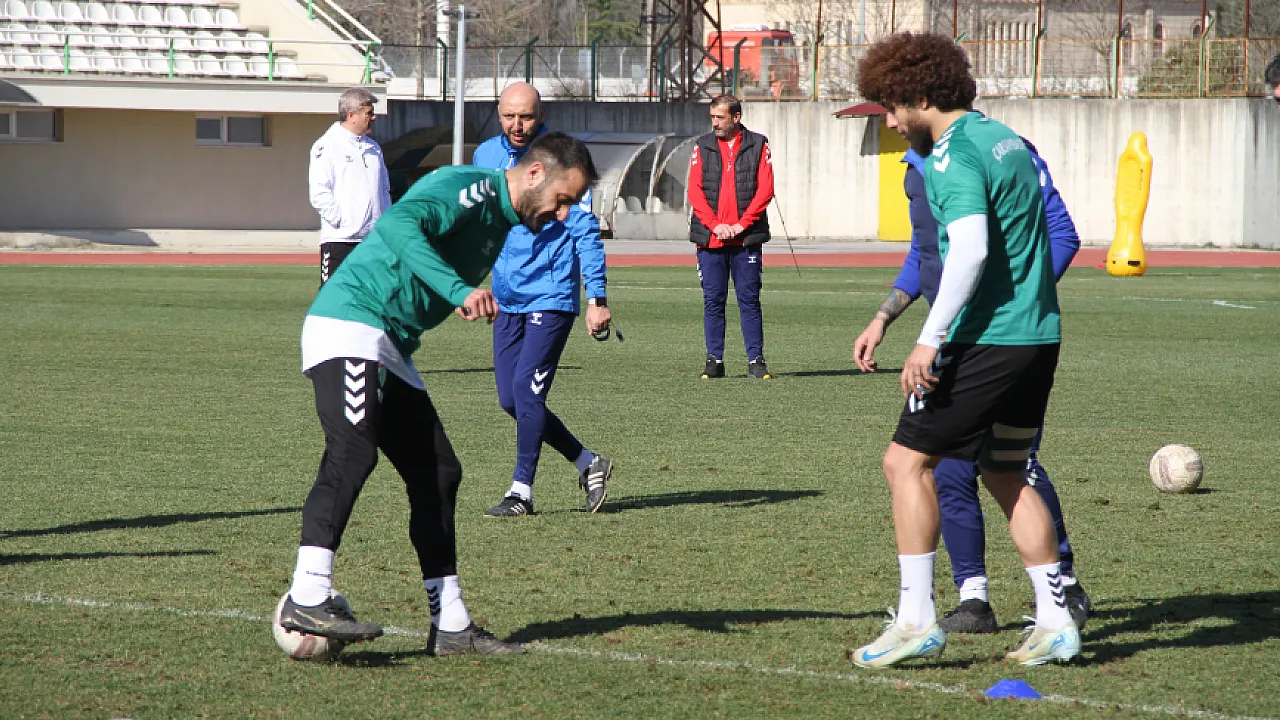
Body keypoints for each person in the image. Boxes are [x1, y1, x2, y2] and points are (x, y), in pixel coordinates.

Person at [277, 132, 598, 656]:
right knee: (353, 450)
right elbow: (398, 224)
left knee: (439, 473)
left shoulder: (503, 220)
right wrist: (459, 291)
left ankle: (450, 625)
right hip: (350, 322)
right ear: (536, 174)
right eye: (562, 200)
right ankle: (308, 593)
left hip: (390, 344)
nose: (562, 214)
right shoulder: (471, 188)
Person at [850, 32, 1081, 668]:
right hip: (1037, 338)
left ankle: (916, 620)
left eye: (893, 107)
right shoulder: (1005, 139)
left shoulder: (952, 156)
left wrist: (929, 339)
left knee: (904, 464)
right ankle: (1056, 622)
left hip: (984, 339)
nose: (891, 122)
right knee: (1005, 470)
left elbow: (971, 250)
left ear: (922, 96)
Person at [471, 82, 614, 517]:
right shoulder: (485, 157)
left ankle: (521, 492)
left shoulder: (565, 161)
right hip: (507, 296)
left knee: (526, 393)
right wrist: (467, 284)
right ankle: (588, 462)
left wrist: (597, 298)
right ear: (498, 114)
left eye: (526, 116)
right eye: (509, 116)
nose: (517, 125)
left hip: (550, 295)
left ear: (542, 115)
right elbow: (482, 224)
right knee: (511, 400)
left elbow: (585, 232)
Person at [687, 94, 775, 380]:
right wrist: (715, 226)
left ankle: (756, 360)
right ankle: (714, 360)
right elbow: (694, 192)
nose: (714, 123)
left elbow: (765, 189)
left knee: (749, 300)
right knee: (713, 300)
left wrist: (741, 225)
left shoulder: (758, 144)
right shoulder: (702, 146)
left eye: (720, 118)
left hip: (745, 239)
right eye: (712, 117)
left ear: (736, 117)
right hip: (710, 239)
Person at [308, 87, 391, 284]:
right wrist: (342, 222)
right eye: (369, 113)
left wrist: (383, 223)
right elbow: (320, 192)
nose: (374, 117)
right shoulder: (327, 145)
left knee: (372, 295)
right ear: (352, 115)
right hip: (341, 240)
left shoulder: (374, 148)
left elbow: (384, 190)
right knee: (332, 296)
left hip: (372, 240)